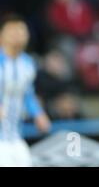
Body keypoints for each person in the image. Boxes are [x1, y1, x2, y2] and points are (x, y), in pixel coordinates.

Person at [0, 14, 51, 166]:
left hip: (15, 136)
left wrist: (39, 114)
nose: (18, 36)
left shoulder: (28, 64)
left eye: (22, 32)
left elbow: (27, 94)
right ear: (2, 35)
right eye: (13, 32)